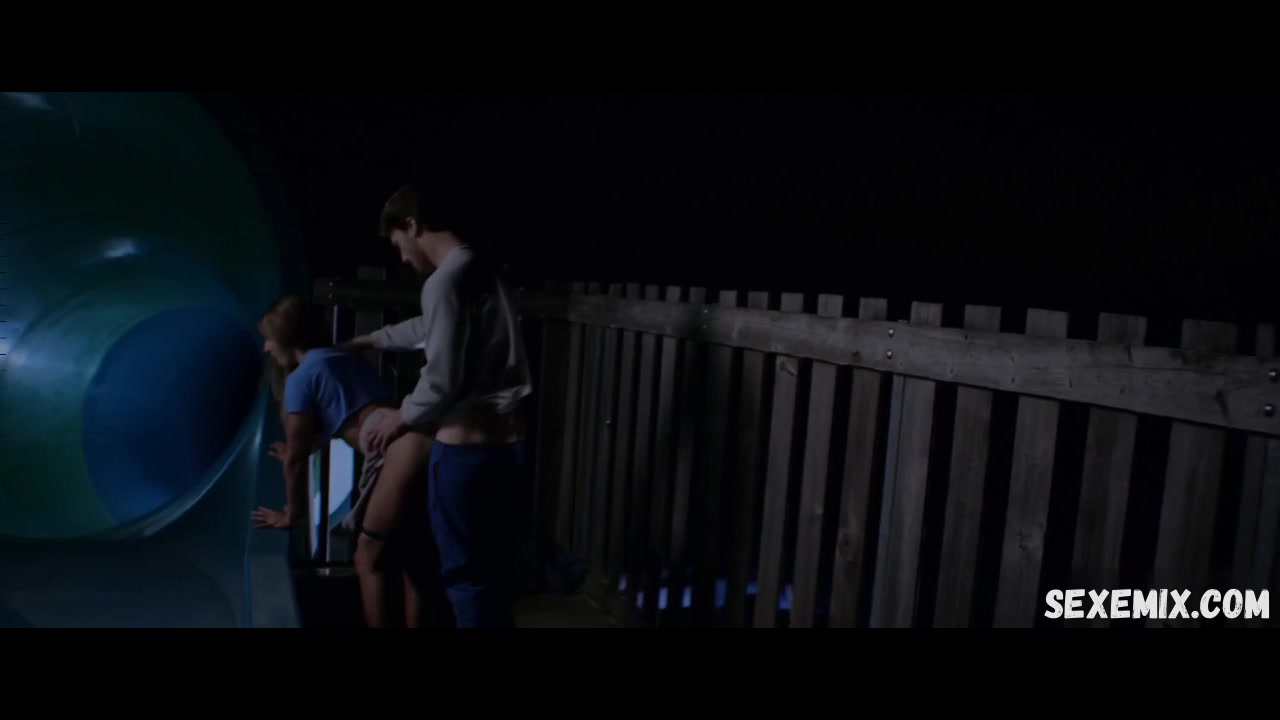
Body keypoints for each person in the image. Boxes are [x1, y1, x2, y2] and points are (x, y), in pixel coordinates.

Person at [350, 183, 533, 628]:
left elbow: (442, 378)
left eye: (399, 243)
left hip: (463, 451)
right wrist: (370, 340)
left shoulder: (444, 281)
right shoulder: (485, 269)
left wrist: (402, 416)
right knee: (494, 572)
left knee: (463, 576)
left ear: (413, 225)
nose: (402, 257)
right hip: (507, 446)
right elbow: (431, 327)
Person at [253, 295, 444, 628]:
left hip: (397, 451)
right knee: (415, 557)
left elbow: (296, 459)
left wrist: (292, 514)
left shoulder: (299, 379)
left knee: (367, 558)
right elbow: (345, 412)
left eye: (270, 339)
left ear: (287, 340)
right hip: (424, 440)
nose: (267, 347)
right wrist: (300, 450)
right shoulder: (342, 356)